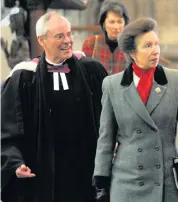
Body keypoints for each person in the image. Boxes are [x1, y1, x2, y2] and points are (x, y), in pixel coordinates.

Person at [93, 18, 178, 202]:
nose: (155, 50)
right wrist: (101, 176)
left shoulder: (177, 80)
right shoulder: (112, 85)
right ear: (132, 52)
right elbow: (106, 137)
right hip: (125, 184)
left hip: (165, 183)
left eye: (157, 44)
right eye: (148, 45)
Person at [1, 11, 107, 202]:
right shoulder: (24, 79)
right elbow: (6, 130)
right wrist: (15, 163)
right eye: (59, 36)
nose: (68, 40)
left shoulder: (92, 72)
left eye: (69, 34)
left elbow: (109, 121)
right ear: (41, 40)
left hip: (84, 176)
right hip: (43, 178)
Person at [82, 1, 130, 75]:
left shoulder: (131, 46)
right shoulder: (91, 44)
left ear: (125, 23)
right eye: (112, 22)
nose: (116, 27)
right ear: (104, 24)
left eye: (120, 22)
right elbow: (84, 73)